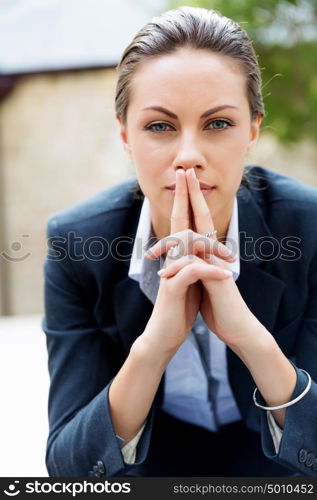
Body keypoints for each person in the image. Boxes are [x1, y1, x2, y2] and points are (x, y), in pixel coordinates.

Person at [42, 6, 317, 477]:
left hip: (274, 457)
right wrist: (155, 345)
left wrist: (250, 337)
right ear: (125, 134)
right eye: (160, 126)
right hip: (147, 459)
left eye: (218, 124)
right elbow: (70, 470)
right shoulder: (76, 244)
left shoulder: (307, 227)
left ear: (252, 128)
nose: (188, 156)